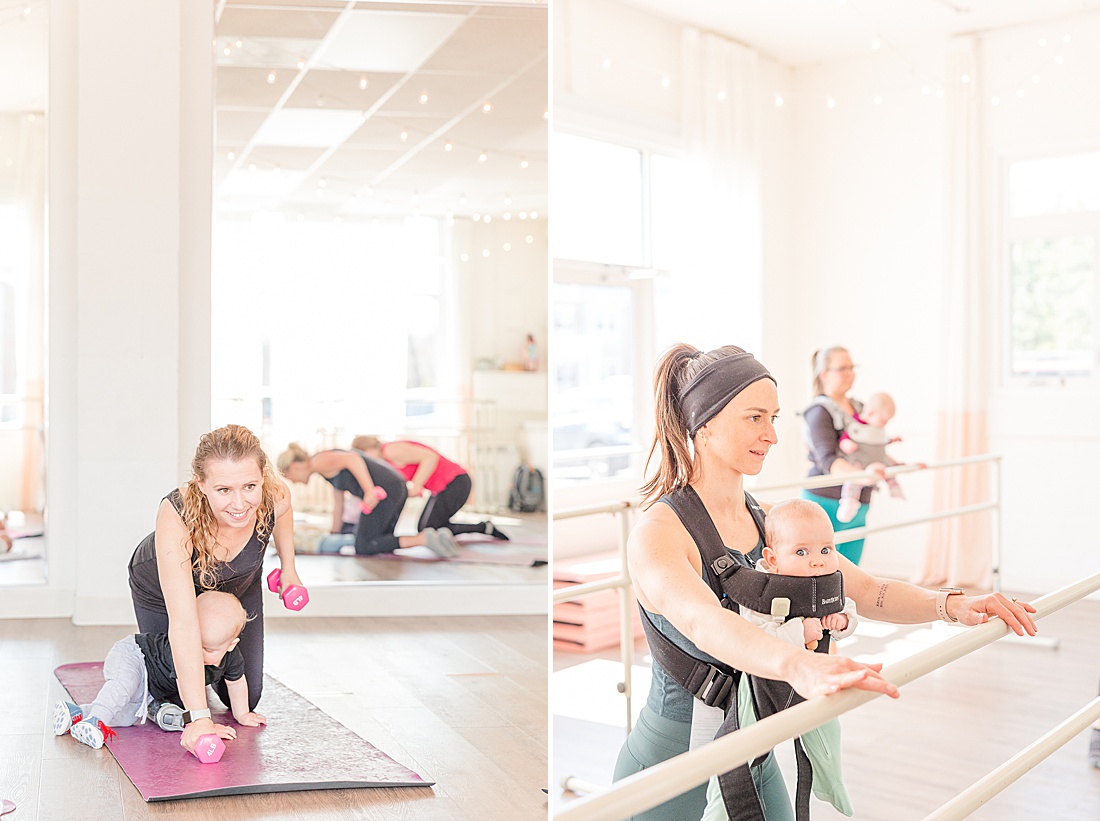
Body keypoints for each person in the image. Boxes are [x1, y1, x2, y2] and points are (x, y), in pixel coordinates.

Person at [614, 343, 1037, 821]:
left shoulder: (772, 523)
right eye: (755, 417)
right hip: (669, 774)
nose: (772, 435)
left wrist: (954, 605)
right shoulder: (659, 533)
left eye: (773, 417)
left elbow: (869, 590)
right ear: (703, 424)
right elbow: (704, 621)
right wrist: (798, 665)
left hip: (749, 757)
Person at [127, 424, 301, 756]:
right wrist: (199, 719)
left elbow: (284, 514)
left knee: (247, 698)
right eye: (224, 489)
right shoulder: (176, 514)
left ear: (264, 477)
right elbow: (183, 622)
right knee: (174, 694)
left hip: (236, 585)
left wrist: (289, 569)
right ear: (201, 484)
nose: (239, 503)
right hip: (164, 591)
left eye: (250, 485)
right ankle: (136, 665)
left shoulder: (275, 495)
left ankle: (204, 684)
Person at [702, 499, 858, 820]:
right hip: (761, 686)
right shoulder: (760, 590)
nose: (817, 562)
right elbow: (754, 638)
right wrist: (801, 629)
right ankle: (717, 811)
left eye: (825, 550)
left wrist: (841, 621)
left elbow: (848, 607)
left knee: (828, 729)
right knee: (737, 756)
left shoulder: (824, 582)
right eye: (802, 552)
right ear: (773, 559)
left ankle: (832, 782)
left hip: (811, 682)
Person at [53, 591, 265, 749]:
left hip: (150, 689)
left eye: (208, 649)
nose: (197, 653)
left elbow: (236, 683)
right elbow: (186, 683)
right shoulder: (183, 650)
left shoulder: (232, 658)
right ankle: (96, 721)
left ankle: (77, 714)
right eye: (194, 643)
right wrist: (203, 723)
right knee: (122, 688)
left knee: (126, 717)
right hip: (134, 655)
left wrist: (243, 713)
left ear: (230, 645)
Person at [277, 443, 459, 558]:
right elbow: (338, 503)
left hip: (386, 491)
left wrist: (369, 490)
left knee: (363, 545)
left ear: (294, 466)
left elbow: (353, 458)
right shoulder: (323, 467)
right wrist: (334, 532)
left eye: (289, 476)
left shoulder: (319, 461)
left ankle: (423, 539)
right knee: (378, 542)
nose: (293, 482)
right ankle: (431, 538)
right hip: (395, 488)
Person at [801, 346, 881, 565]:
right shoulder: (819, 411)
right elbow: (829, 460)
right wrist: (866, 476)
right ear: (824, 374)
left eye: (852, 367)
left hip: (860, 502)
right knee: (823, 575)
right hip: (826, 502)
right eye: (842, 368)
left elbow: (873, 447)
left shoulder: (860, 408)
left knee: (852, 574)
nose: (850, 373)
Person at [352, 435, 509, 541]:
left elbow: (430, 457)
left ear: (368, 450)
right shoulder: (387, 462)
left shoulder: (390, 450)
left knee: (429, 528)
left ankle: (483, 528)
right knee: (425, 529)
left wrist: (416, 486)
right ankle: (483, 527)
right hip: (442, 488)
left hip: (455, 482)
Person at [835, 391, 908, 524]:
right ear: (870, 413)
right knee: (853, 480)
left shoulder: (878, 429)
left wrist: (892, 440)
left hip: (877, 462)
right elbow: (845, 437)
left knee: (889, 470)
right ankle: (849, 501)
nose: (884, 424)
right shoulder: (856, 425)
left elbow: (879, 442)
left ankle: (894, 488)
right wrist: (846, 444)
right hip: (859, 463)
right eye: (883, 420)